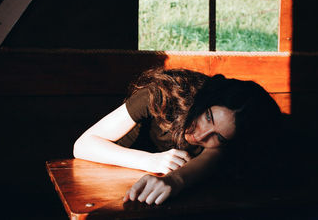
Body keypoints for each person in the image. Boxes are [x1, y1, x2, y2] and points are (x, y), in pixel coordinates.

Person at [73, 68, 281, 205]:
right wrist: (150, 161)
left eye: (219, 136)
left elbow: (216, 156)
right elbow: (82, 145)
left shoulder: (225, 144)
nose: (201, 135)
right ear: (206, 99)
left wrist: (175, 180)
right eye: (208, 117)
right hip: (105, 175)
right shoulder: (161, 95)